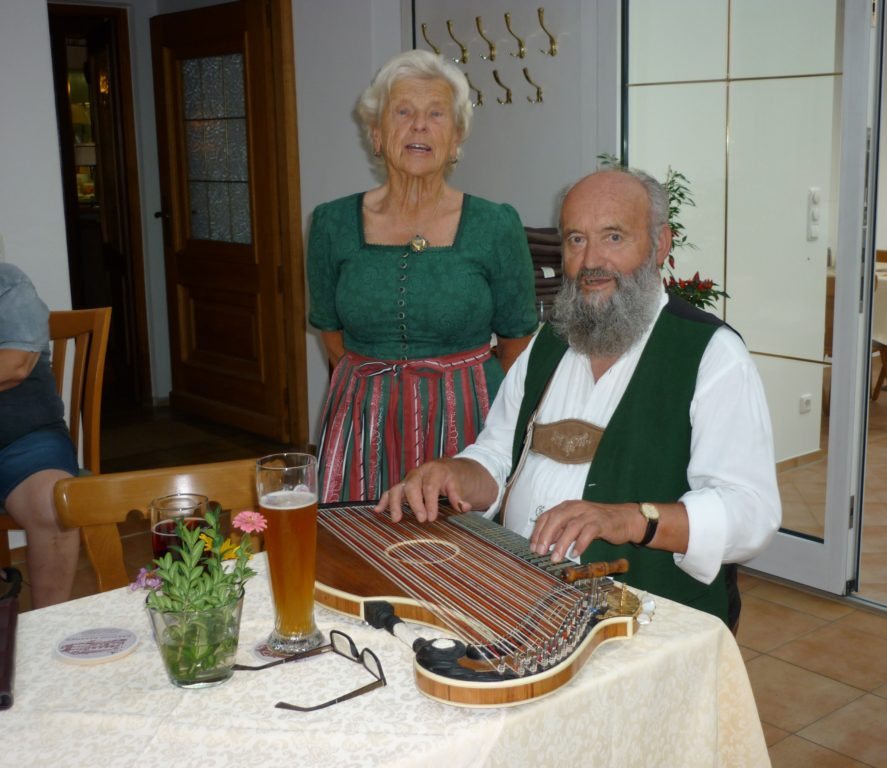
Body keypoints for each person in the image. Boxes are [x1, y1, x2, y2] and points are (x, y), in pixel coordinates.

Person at [378, 167, 781, 628]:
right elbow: (497, 457)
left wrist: (630, 520)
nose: (591, 262)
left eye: (613, 237)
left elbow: (751, 515)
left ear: (660, 245)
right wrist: (451, 475)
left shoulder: (711, 354)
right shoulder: (549, 343)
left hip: (650, 626)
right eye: (575, 240)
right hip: (523, 599)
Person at [308, 50, 538, 502]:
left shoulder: (495, 225)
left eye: (436, 114)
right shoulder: (331, 223)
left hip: (466, 422)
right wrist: (377, 388)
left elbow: (518, 344)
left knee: (458, 559)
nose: (419, 125)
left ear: (455, 140)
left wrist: (462, 392)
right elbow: (331, 334)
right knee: (360, 553)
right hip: (361, 423)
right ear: (377, 135)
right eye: (403, 112)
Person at [0, 262, 79, 607]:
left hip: (21, 441)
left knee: (51, 505)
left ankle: (48, 628)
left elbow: (14, 364)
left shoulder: (2, 283)